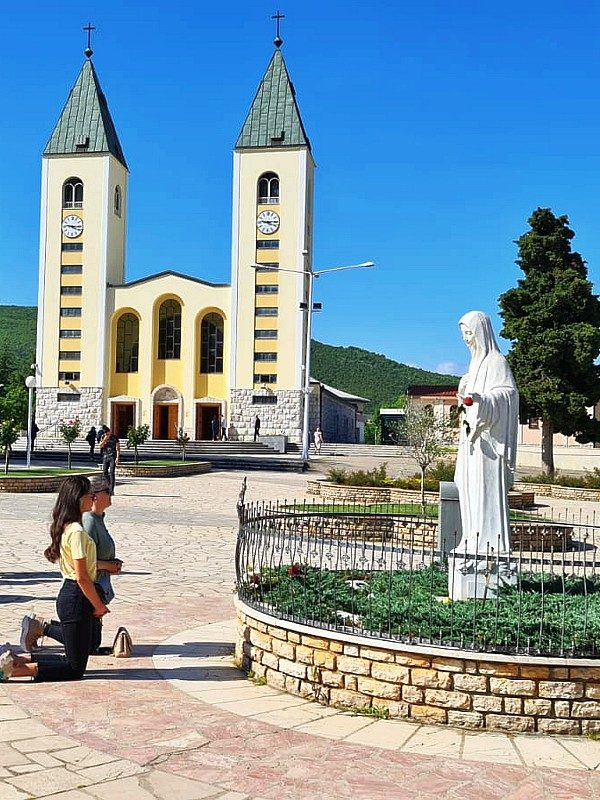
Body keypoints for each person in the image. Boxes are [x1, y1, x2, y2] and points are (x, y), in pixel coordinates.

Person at [0, 476, 109, 682]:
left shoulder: (69, 526)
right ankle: (13, 671)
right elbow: (82, 577)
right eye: (90, 495)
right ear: (78, 498)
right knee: (74, 669)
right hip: (76, 597)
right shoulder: (76, 532)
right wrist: (98, 606)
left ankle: (16, 660)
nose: (93, 498)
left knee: (80, 652)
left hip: (73, 596)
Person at [21, 476, 122, 656]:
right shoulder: (80, 528)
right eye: (106, 491)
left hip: (85, 590)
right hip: (81, 591)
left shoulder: (86, 523)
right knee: (76, 662)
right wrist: (98, 604)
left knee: (89, 644)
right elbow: (81, 573)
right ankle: (17, 662)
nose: (110, 494)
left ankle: (31, 645)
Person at [454, 311, 519, 555]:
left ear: (481, 333)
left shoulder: (496, 362)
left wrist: (485, 401)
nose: (466, 339)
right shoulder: (474, 366)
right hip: (472, 444)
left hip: (489, 448)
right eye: (463, 334)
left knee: (485, 494)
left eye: (469, 333)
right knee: (467, 489)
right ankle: (471, 539)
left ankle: (489, 545)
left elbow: (508, 396)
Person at [99, 427, 120, 496]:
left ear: (110, 431)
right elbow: (100, 446)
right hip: (105, 456)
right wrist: (104, 439)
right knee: (104, 472)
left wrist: (117, 457)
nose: (107, 434)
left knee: (111, 473)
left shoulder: (115, 437)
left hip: (112, 456)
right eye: (105, 433)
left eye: (107, 433)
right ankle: (108, 486)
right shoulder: (103, 437)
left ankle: (111, 490)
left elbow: (118, 448)